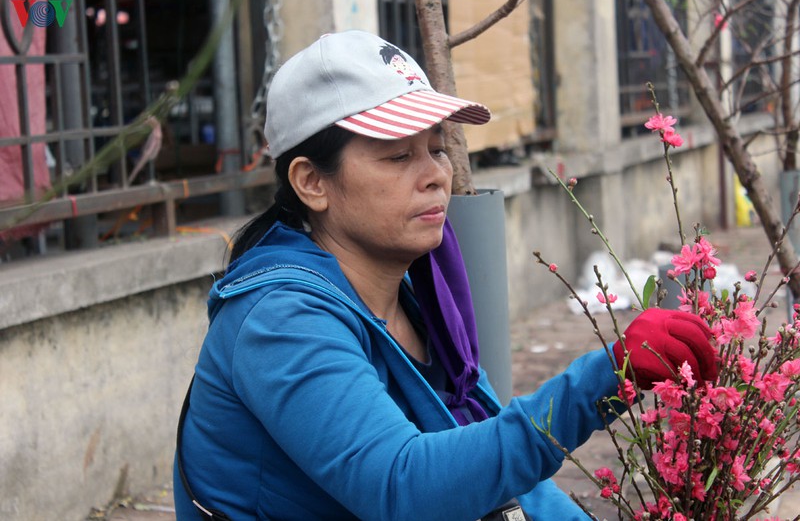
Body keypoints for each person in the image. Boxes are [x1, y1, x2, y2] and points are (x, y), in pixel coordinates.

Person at [173, 30, 717, 521]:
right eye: (397, 156)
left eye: (435, 148)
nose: (436, 174)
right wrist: (599, 380)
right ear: (312, 181)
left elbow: (488, 461)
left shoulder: (410, 298)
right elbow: (404, 487)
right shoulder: (280, 319)